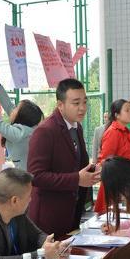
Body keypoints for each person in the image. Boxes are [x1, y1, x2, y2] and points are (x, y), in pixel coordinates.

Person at [27, 78, 101, 239]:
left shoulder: (76, 127)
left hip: (72, 214)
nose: (82, 108)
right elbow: (36, 176)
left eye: (85, 102)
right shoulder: (45, 131)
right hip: (48, 219)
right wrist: (77, 179)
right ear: (60, 105)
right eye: (76, 103)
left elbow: (75, 165)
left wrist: (94, 170)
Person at [0, 65, 44, 169]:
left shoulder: (19, 134)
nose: (12, 108)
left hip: (28, 176)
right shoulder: (28, 128)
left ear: (21, 117)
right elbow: (8, 105)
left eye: (16, 108)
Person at [94, 99, 130, 214]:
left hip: (123, 184)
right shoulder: (113, 132)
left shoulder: (125, 131)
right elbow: (106, 162)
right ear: (117, 115)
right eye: (127, 110)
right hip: (114, 186)